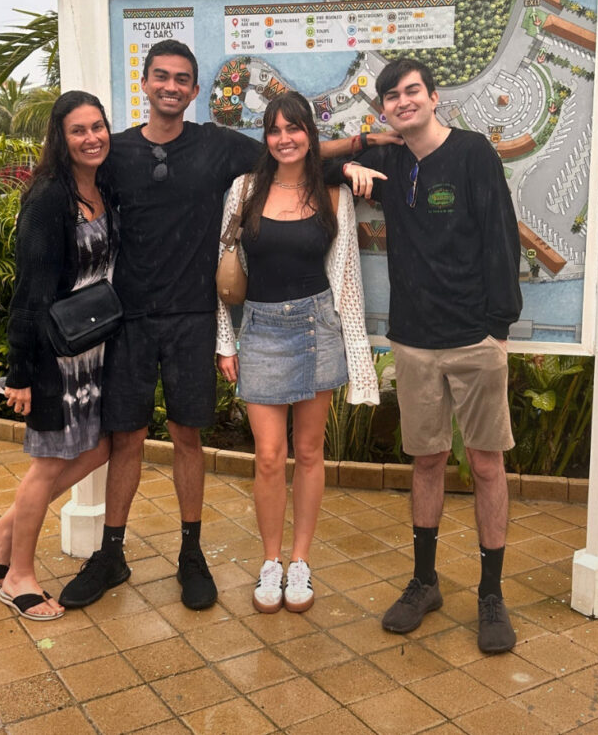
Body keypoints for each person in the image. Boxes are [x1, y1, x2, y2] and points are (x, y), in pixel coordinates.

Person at [58, 40, 385, 611]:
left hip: (192, 318)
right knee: (126, 439)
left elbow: (293, 153)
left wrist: (353, 150)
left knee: (189, 436)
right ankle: (111, 553)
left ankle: (192, 554)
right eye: (162, 77)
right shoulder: (117, 151)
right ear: (146, 81)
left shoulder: (215, 146)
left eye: (183, 78)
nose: (171, 86)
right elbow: (74, 181)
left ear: (193, 87)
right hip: (128, 318)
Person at [351, 57, 522, 654]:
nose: (403, 102)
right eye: (392, 97)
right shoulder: (391, 161)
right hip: (413, 341)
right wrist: (358, 150)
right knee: (426, 464)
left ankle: (491, 594)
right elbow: (293, 159)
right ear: (385, 111)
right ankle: (425, 582)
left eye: (412, 92)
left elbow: (501, 234)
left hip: (475, 338)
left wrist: (497, 326)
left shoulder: (473, 152)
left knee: (485, 466)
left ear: (433, 95)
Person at [0, 91, 118, 620]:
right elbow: (30, 290)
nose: (91, 137)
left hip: (91, 348)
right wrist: (19, 374)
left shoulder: (103, 187)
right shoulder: (48, 197)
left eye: (98, 126)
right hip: (53, 354)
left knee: (101, 446)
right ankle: (17, 575)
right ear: (60, 138)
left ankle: (0, 532)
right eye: (78, 130)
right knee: (47, 465)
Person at [215, 92, 379, 613]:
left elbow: (348, 278)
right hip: (260, 330)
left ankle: (301, 562)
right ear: (265, 138)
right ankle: (270, 561)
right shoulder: (242, 189)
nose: (285, 138)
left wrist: (356, 352)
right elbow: (224, 268)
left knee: (309, 454)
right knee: (268, 457)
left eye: (295, 128)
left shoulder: (333, 193)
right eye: (274, 130)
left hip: (317, 328)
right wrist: (226, 339)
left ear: (311, 133)